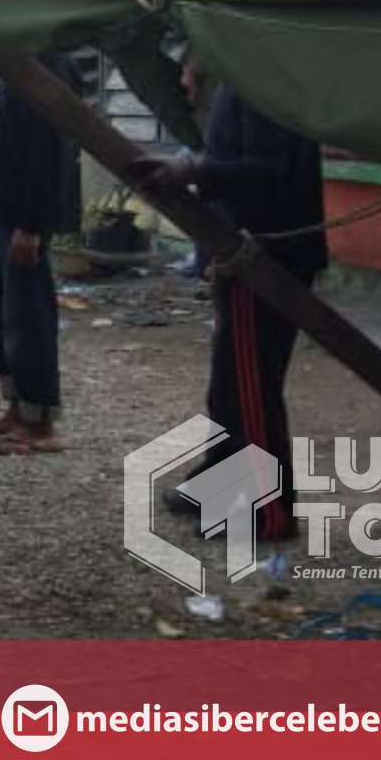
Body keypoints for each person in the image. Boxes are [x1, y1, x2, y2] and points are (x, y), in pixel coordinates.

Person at [134, 88, 328, 543]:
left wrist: (196, 170)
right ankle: (219, 481)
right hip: (245, 251)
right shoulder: (239, 82)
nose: (182, 79)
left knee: (250, 387)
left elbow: (270, 171)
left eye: (187, 65)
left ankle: (267, 511)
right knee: (228, 386)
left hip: (266, 256)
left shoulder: (261, 85)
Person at [0, 53, 83, 455]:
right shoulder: (15, 61)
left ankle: (40, 423)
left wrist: (33, 225)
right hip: (3, 210)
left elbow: (51, 152)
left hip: (24, 216)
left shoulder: (48, 64)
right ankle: (18, 409)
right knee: (1, 313)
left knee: (28, 316)